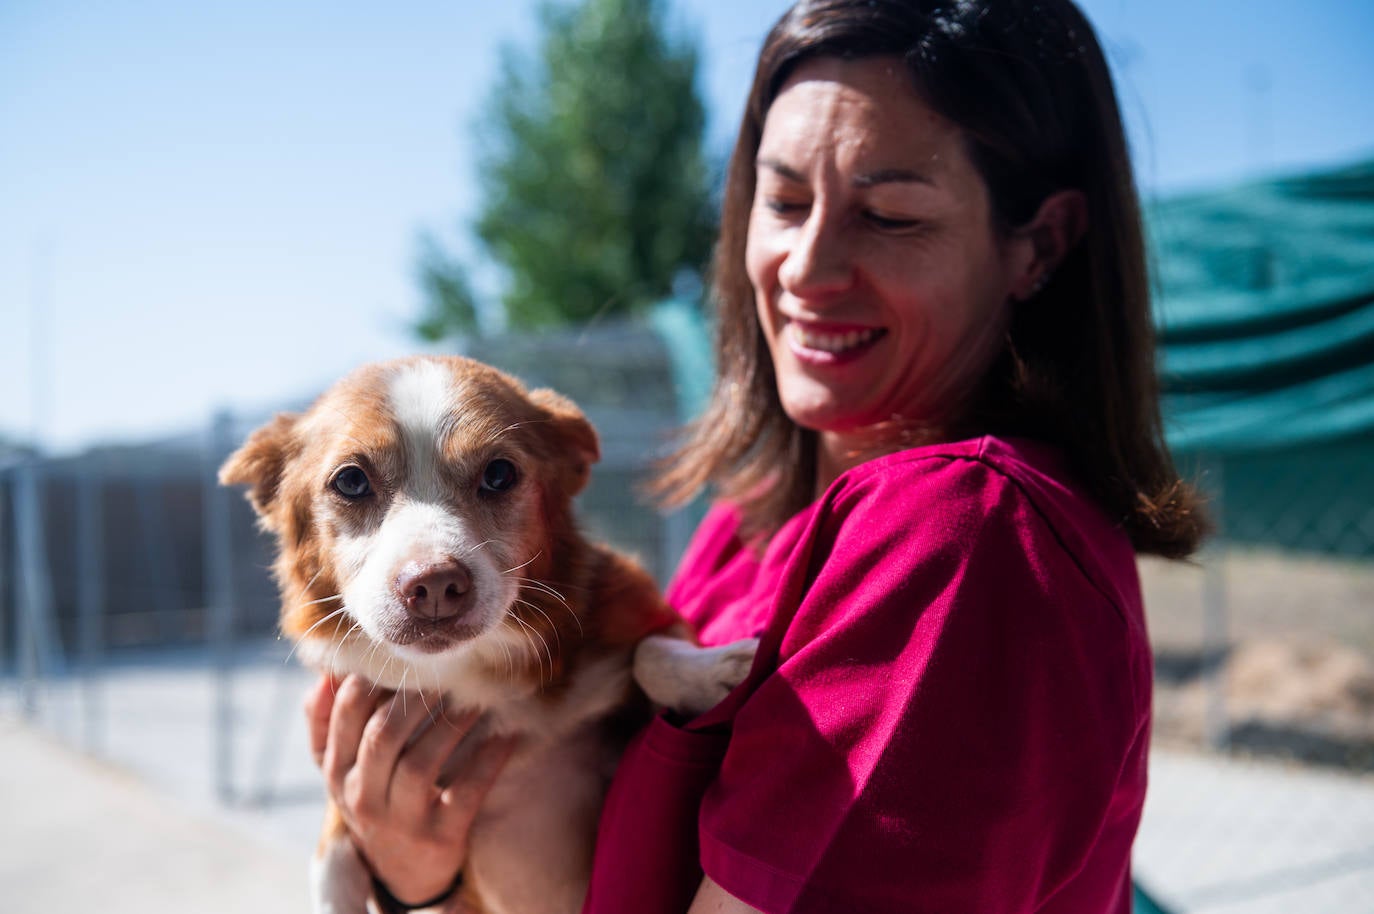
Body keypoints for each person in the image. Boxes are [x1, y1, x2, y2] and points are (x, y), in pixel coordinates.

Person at [306, 1, 1208, 911]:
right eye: (782, 202)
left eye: (889, 215)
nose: (807, 268)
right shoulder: (754, 520)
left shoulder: (961, 533)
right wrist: (420, 875)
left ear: (1038, 245)